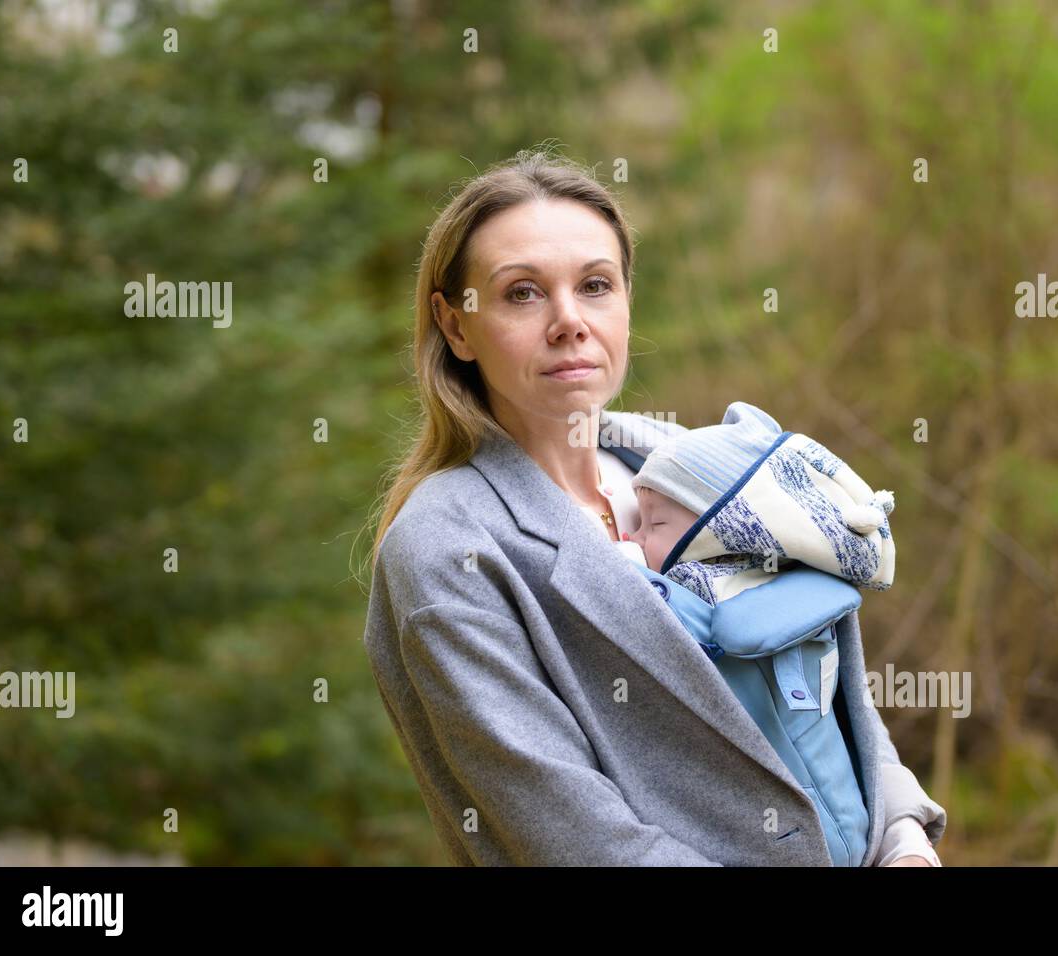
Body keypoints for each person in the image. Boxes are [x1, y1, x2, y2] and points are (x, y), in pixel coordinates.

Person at [361, 146, 946, 865]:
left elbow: (827, 692)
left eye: (596, 285)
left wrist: (905, 838)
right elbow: (578, 840)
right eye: (522, 293)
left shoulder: (698, 464)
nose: (569, 320)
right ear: (455, 327)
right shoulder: (448, 548)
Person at [607, 400, 941, 865]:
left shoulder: (739, 593)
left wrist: (906, 838)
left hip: (832, 833)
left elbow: (852, 706)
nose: (633, 539)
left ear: (718, 536)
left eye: (653, 525)